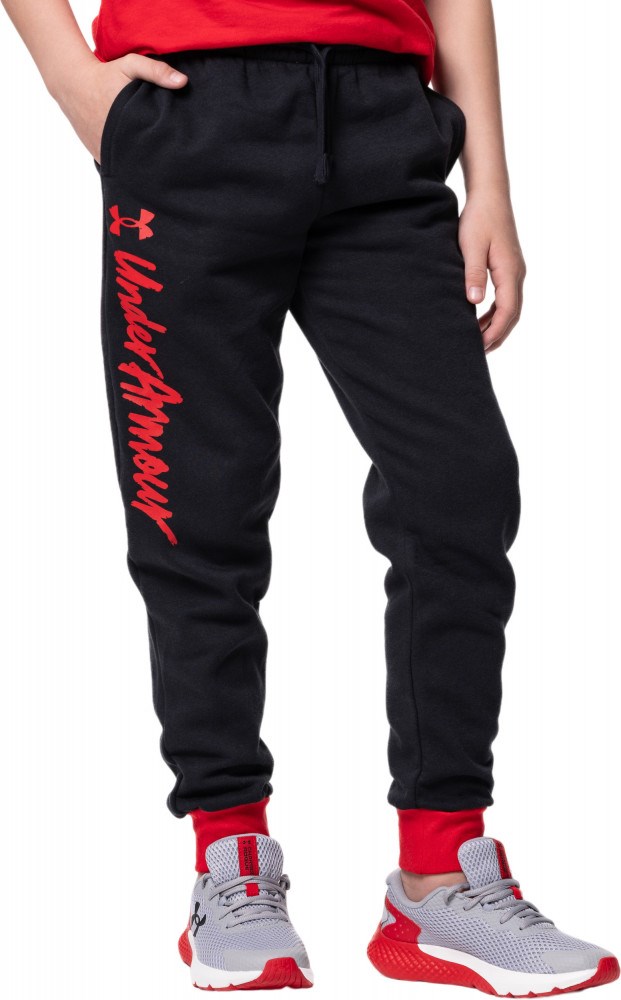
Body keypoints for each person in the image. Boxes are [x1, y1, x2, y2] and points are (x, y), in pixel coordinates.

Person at [2, 0, 618, 994]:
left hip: (385, 127)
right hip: (190, 119)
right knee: (193, 505)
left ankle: (438, 875)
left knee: (458, 489)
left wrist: (490, 183)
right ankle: (230, 852)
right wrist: (72, 78)